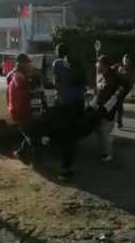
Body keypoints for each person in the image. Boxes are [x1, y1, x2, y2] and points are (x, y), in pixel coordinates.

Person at [52, 43, 86, 181]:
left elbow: (56, 83)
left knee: (64, 136)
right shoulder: (77, 64)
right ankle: (70, 162)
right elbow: (84, 84)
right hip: (79, 104)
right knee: (73, 135)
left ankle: (65, 169)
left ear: (58, 52)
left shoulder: (57, 64)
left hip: (65, 104)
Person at [7, 53, 46, 162]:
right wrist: (32, 90)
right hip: (20, 111)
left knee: (31, 133)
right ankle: (38, 161)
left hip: (25, 110)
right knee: (32, 136)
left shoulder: (20, 74)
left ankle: (20, 153)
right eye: (27, 63)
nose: (29, 65)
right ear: (21, 64)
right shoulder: (17, 76)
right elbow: (22, 92)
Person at [96, 55, 130, 162]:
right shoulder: (103, 75)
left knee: (104, 131)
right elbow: (100, 89)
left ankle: (108, 154)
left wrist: (116, 99)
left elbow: (124, 87)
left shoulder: (113, 76)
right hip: (102, 107)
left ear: (105, 66)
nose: (97, 65)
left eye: (99, 64)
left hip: (109, 109)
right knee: (100, 130)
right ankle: (106, 148)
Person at [115, 54, 132, 129]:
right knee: (118, 103)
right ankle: (118, 118)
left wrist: (121, 69)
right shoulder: (120, 66)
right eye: (124, 60)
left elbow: (125, 76)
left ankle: (119, 121)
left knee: (119, 103)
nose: (125, 61)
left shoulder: (128, 68)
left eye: (126, 60)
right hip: (119, 87)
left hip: (124, 88)